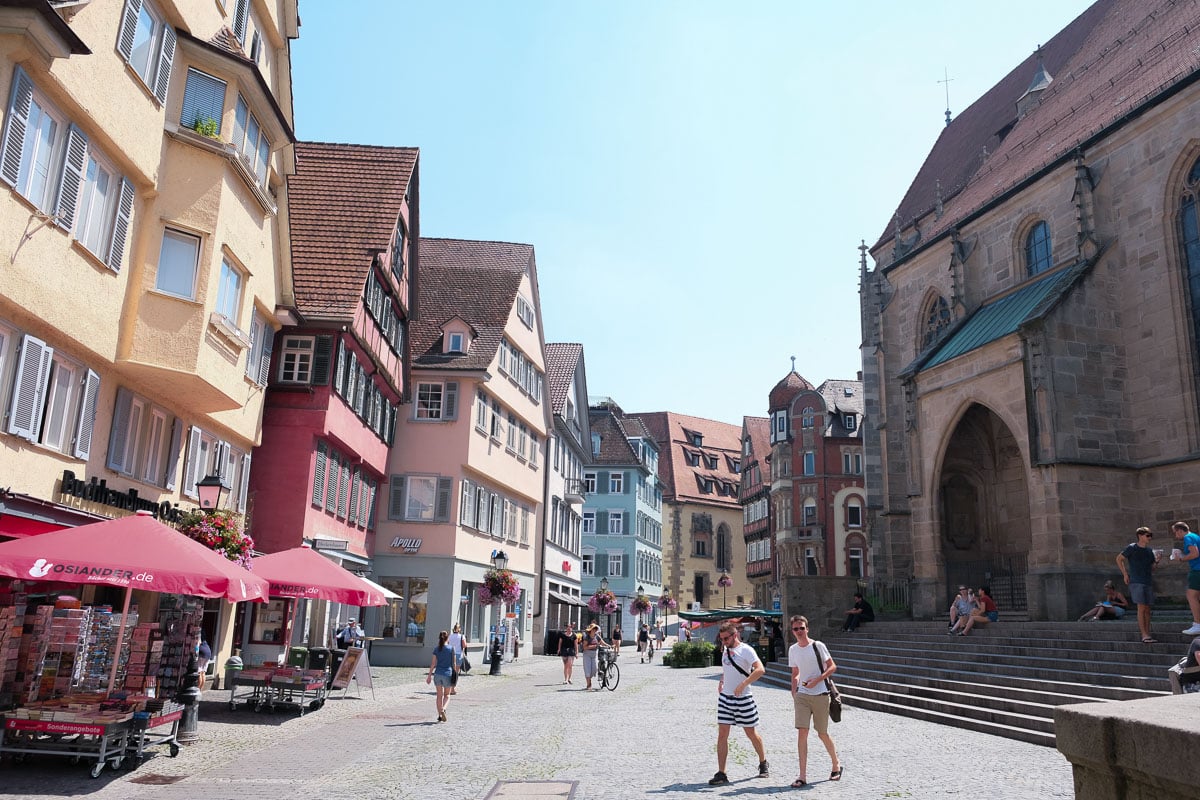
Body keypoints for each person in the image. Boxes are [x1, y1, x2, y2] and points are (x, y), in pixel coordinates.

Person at [708, 621, 769, 786]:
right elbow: (727, 668)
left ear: (735, 635)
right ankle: (722, 773)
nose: (724, 642)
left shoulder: (747, 650)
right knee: (722, 734)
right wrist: (722, 680)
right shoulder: (726, 650)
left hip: (744, 698)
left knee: (751, 733)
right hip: (726, 698)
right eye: (721, 639)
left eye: (726, 638)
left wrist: (743, 684)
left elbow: (760, 669)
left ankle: (763, 762)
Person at [788, 615, 842, 788]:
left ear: (807, 629)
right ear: (792, 631)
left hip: (821, 694)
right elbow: (795, 671)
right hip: (802, 695)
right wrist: (794, 688)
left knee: (822, 733)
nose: (799, 632)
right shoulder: (793, 649)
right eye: (796, 629)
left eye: (801, 628)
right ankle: (802, 775)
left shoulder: (818, 646)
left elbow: (832, 666)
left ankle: (836, 764)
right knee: (802, 733)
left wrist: (818, 680)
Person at [1117, 526, 1162, 643]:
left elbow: (1152, 568)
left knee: (1147, 609)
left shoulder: (1149, 551)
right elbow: (1119, 559)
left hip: (1148, 581)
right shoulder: (1132, 547)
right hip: (1136, 581)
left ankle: (1147, 634)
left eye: (1150, 535)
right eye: (1148, 535)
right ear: (1140, 536)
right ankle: (1144, 635)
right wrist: (1125, 574)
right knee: (1141, 608)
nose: (1150, 538)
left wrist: (1157, 561)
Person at [1171, 521, 1200, 635]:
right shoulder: (1195, 536)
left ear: (1179, 530)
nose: (1175, 535)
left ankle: (1197, 624)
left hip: (1197, 570)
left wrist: (1181, 559)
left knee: (1191, 595)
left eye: (1175, 533)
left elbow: (1195, 554)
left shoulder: (1188, 537)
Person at [425, 630, 457, 722]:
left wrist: (429, 676)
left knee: (439, 696)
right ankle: (443, 709)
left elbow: (433, 664)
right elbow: (454, 663)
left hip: (438, 674)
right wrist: (454, 673)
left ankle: (439, 714)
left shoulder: (436, 649)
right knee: (447, 695)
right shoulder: (451, 649)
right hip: (448, 674)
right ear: (448, 638)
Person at [581, 622, 603, 690]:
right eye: (593, 629)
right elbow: (584, 647)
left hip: (594, 654)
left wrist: (609, 645)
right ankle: (589, 684)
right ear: (590, 630)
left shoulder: (597, 636)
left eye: (595, 629)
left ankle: (589, 681)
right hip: (587, 654)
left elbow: (602, 642)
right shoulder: (586, 637)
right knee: (587, 670)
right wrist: (594, 646)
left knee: (595, 669)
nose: (595, 630)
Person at [447, 623, 467, 694]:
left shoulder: (450, 636)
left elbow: (447, 644)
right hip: (458, 654)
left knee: (449, 671)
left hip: (450, 654)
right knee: (455, 672)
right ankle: (452, 688)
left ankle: (448, 687)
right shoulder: (462, 636)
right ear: (459, 629)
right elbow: (464, 645)